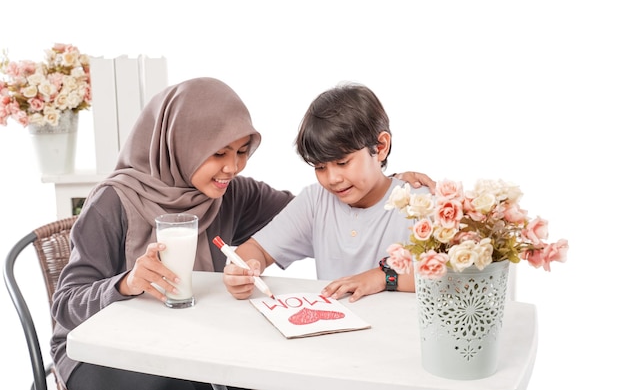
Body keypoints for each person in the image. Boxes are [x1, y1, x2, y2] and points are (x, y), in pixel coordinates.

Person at [50, 77, 434, 390]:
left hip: (188, 344)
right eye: (218, 153)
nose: (231, 167)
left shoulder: (231, 194)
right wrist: (127, 283)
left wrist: (393, 183)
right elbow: (64, 305)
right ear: (181, 143)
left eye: (241, 151)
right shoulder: (114, 201)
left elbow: (315, 209)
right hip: (105, 349)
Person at [223, 82, 430, 303]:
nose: (332, 179)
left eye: (342, 162)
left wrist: (383, 277)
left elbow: (463, 278)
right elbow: (257, 249)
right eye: (320, 167)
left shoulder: (420, 203)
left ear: (380, 147)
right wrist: (243, 270)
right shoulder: (315, 201)